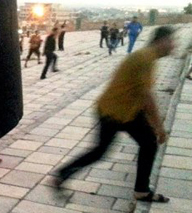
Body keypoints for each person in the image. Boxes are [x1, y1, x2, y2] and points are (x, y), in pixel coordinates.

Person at [54, 26, 177, 203]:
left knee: (144, 144)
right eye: (172, 41)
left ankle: (141, 190)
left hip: (124, 111)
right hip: (115, 112)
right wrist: (160, 128)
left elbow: (141, 95)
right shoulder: (145, 58)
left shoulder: (147, 57)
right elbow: (147, 97)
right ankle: (141, 190)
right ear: (162, 41)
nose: (174, 46)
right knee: (110, 150)